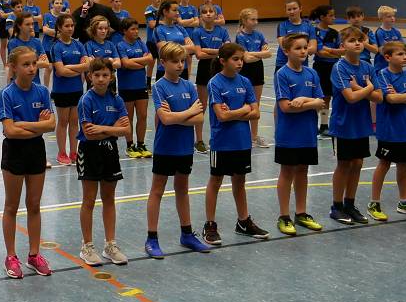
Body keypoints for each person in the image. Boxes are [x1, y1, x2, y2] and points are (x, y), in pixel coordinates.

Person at [145, 42, 211, 258]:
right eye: (175, 61)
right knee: (157, 190)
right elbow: (165, 119)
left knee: (182, 189)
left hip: (184, 148)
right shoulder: (159, 87)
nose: (180, 65)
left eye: (182, 61)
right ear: (163, 63)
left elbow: (200, 118)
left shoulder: (189, 87)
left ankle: (187, 234)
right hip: (165, 147)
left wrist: (178, 116)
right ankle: (152, 238)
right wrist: (189, 112)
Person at [0, 46, 56, 278]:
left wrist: (24, 124)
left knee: (34, 205)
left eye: (34, 63)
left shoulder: (42, 91)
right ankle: (11, 256)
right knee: (11, 206)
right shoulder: (6, 94)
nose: (32, 68)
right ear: (13, 67)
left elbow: (51, 125)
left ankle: (34, 254)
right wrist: (37, 126)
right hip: (14, 152)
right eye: (26, 64)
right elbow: (10, 131)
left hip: (36, 150)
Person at [201, 43, 266, 245]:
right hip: (221, 142)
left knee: (240, 182)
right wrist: (243, 110)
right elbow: (221, 116)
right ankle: (210, 224)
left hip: (242, 142)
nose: (240, 63)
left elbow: (256, 113)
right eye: (235, 59)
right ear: (223, 61)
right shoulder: (215, 83)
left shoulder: (245, 82)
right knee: (216, 181)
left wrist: (234, 113)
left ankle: (243, 222)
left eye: (241, 59)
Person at [76, 58, 131, 266]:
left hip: (110, 151)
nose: (101, 79)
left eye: (105, 75)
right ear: (90, 77)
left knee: (109, 198)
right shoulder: (86, 100)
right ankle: (87, 246)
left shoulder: (116, 100)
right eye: (97, 75)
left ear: (111, 77)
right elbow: (89, 134)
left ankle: (110, 245)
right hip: (89, 152)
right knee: (89, 199)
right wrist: (113, 128)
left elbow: (126, 130)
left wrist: (103, 129)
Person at [367, 41, 406, 220]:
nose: (405, 57)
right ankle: (374, 203)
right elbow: (391, 99)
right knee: (384, 164)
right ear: (387, 57)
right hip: (389, 130)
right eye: (400, 54)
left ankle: (404, 202)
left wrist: (400, 96)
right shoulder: (382, 75)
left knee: (403, 165)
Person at [273, 34, 326, 236]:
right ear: (286, 51)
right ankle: (284, 216)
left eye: (305, 47)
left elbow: (321, 102)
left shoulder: (312, 74)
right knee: (287, 172)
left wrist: (303, 99)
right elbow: (286, 107)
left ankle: (301, 213)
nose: (303, 51)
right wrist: (311, 103)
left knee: (303, 171)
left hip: (308, 133)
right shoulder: (282, 74)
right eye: (298, 48)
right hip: (288, 134)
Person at [329, 26, 379, 225]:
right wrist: (368, 88)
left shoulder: (367, 67)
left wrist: (360, 88)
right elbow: (350, 98)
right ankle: (337, 206)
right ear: (343, 45)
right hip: (344, 123)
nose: (357, 43)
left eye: (360, 40)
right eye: (352, 40)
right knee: (344, 164)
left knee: (358, 163)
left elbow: (379, 97)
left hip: (361, 122)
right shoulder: (339, 68)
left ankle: (350, 204)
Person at [50, 14, 89, 166]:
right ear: (59, 28)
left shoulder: (79, 45)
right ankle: (61, 153)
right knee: (63, 122)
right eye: (67, 26)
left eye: (72, 25)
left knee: (74, 121)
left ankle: (74, 152)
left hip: (77, 90)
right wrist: (78, 69)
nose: (70, 28)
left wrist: (70, 67)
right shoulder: (56, 47)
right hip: (61, 91)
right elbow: (60, 71)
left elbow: (87, 65)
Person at [191, 4, 228, 154]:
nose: (208, 14)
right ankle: (199, 140)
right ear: (200, 16)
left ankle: (220, 137)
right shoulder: (197, 32)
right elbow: (199, 55)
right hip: (204, 70)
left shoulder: (223, 31)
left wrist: (208, 50)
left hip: (220, 69)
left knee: (221, 104)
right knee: (202, 105)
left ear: (216, 15)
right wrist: (218, 52)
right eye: (204, 12)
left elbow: (227, 52)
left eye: (211, 11)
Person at [114, 17, 152, 158]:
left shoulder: (141, 43)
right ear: (124, 31)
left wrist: (133, 61)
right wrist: (141, 62)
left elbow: (149, 59)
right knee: (128, 117)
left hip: (141, 86)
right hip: (126, 87)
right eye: (133, 29)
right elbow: (126, 63)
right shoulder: (120, 45)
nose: (136, 31)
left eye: (137, 29)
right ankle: (130, 146)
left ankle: (141, 144)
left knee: (142, 116)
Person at [235, 9, 272, 148]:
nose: (256, 22)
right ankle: (242, 134)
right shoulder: (240, 37)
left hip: (258, 71)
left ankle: (254, 136)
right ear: (244, 21)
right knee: (243, 104)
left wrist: (253, 54)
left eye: (257, 19)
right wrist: (261, 53)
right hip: (245, 71)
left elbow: (269, 54)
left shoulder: (259, 35)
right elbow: (246, 59)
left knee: (256, 104)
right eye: (253, 19)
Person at [310, 4, 341, 137]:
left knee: (328, 98)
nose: (334, 18)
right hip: (320, 67)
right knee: (319, 97)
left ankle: (324, 125)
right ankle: (312, 125)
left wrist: (329, 50)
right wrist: (334, 52)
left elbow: (341, 51)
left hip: (333, 68)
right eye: (331, 15)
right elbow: (320, 52)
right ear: (322, 17)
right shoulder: (314, 32)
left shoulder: (335, 33)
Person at [275, 0, 316, 73]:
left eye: (294, 8)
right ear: (286, 11)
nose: (292, 12)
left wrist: (295, 49)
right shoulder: (282, 26)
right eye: (289, 9)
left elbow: (313, 49)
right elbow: (284, 47)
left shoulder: (309, 26)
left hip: (302, 65)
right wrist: (304, 49)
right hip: (283, 64)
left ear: (300, 9)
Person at [372, 6, 403, 71]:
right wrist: (394, 46)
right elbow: (382, 51)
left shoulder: (397, 32)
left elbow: (402, 47)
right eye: (389, 16)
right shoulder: (379, 32)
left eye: (393, 16)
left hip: (395, 63)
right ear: (381, 19)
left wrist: (389, 45)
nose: (392, 18)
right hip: (382, 64)